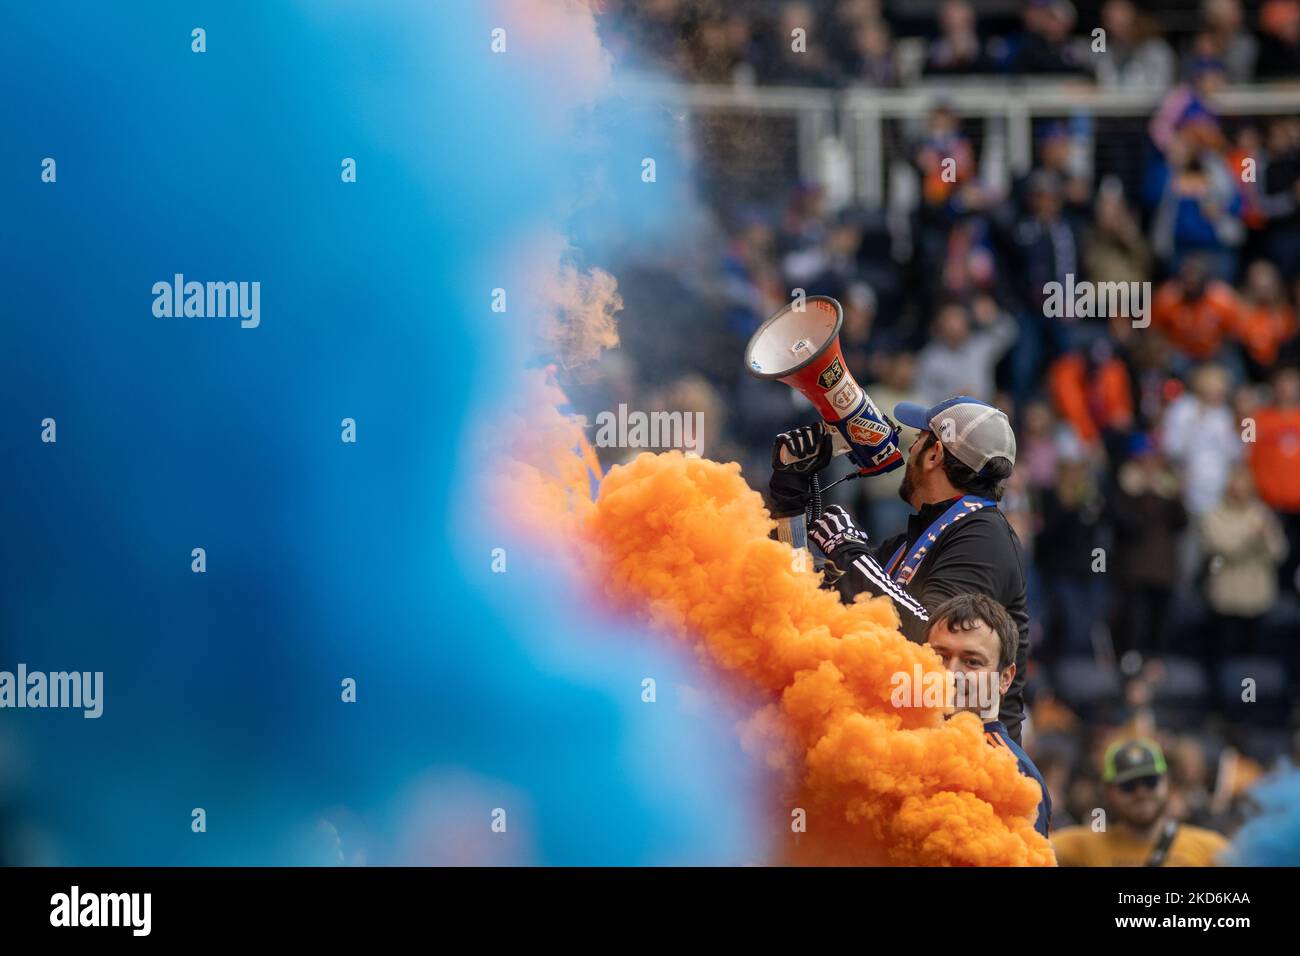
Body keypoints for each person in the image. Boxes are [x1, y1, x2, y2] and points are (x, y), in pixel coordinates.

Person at [770, 396, 1031, 742]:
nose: (910, 449)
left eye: (919, 437)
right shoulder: (920, 537)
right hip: (906, 751)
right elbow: (804, 597)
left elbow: (931, 636)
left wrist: (850, 552)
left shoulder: (986, 537)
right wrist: (791, 496)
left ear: (934, 454)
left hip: (967, 768)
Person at [925, 593, 1052, 837]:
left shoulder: (1015, 775)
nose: (951, 673)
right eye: (940, 656)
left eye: (972, 662)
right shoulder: (897, 741)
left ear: (1005, 678)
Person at [1052, 739, 1228, 865]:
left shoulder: (1210, 848)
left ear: (1167, 782)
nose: (1141, 792)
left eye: (1150, 781)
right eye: (1128, 785)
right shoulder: (1084, 845)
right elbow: (1028, 847)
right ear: (1108, 791)